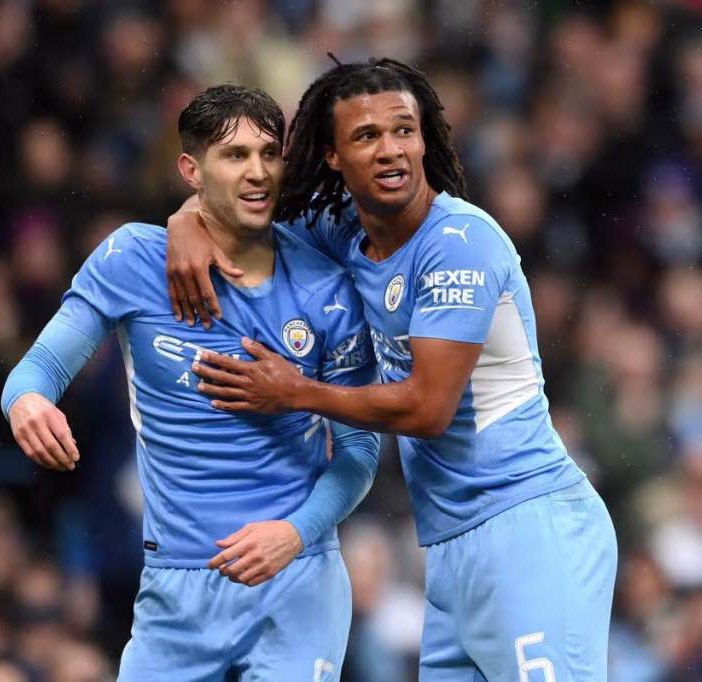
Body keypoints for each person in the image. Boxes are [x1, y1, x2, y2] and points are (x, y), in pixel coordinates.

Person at [165, 58, 618, 681]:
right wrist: (185, 221)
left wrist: (298, 392)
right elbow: (240, 215)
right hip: (451, 543)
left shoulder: (461, 242)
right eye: (366, 136)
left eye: (403, 130)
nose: (391, 150)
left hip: (529, 526)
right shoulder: (347, 234)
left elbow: (428, 409)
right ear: (331, 156)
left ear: (425, 137)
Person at [0, 84, 380, 682]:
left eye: (269, 153)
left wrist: (294, 533)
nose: (257, 172)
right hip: (176, 590)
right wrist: (26, 401)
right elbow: (40, 367)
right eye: (234, 156)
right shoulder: (132, 260)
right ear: (191, 168)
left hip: (297, 580)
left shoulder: (327, 291)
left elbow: (360, 452)